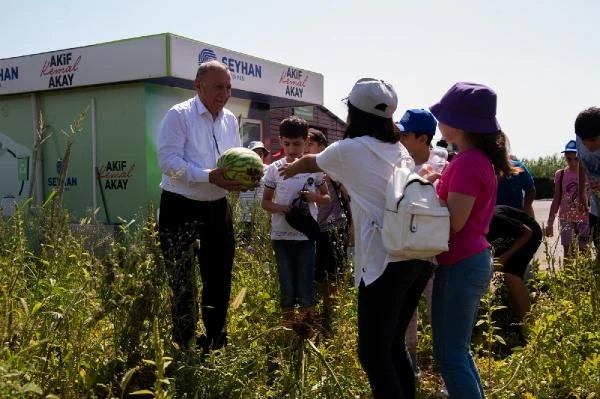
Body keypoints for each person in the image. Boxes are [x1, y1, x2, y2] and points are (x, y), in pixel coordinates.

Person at [280, 78, 434, 399]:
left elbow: (311, 161)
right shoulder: (400, 149)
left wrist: (289, 169)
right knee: (392, 348)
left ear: (353, 113)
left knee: (374, 355)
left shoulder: (349, 150)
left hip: (385, 263)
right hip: (417, 256)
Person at [427, 82, 519, 398]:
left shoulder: (467, 162)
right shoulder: (474, 159)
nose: (438, 120)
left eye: (442, 115)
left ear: (459, 123)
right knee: (458, 352)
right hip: (468, 261)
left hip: (460, 264)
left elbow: (455, 221)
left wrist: (423, 192)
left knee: (449, 356)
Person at [156, 60, 244, 354]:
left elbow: (233, 159)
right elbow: (168, 163)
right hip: (179, 206)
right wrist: (208, 176)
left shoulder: (230, 119)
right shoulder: (178, 116)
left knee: (218, 277)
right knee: (182, 279)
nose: (225, 93)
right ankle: (183, 344)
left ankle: (216, 341)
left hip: (217, 207)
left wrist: (241, 178)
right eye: (218, 86)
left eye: (229, 87)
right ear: (198, 85)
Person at [261, 117, 330, 337]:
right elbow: (265, 202)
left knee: (306, 284)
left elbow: (327, 198)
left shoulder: (314, 168)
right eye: (287, 144)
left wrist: (313, 196)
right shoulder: (273, 169)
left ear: (306, 141)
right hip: (281, 237)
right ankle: (289, 333)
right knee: (287, 285)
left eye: (297, 144)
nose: (292, 149)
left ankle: (308, 332)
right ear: (280, 141)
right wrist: (279, 207)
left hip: (305, 237)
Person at [397, 108, 438, 375]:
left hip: (433, 252)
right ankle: (411, 366)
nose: (400, 138)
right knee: (406, 310)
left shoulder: (441, 167)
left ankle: (443, 366)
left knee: (437, 309)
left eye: (406, 134)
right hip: (405, 250)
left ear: (423, 139)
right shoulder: (400, 166)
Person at [305, 128, 351, 335]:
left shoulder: (330, 168)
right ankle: (325, 312)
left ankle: (332, 313)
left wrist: (353, 225)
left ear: (322, 147)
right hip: (313, 228)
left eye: (310, 144)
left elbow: (347, 195)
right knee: (319, 273)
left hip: (334, 226)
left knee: (333, 273)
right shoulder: (303, 168)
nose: (306, 148)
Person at [487, 205, 542, 323]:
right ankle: (515, 317)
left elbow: (527, 232)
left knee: (512, 275)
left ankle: (528, 326)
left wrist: (504, 257)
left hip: (529, 236)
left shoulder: (496, 219)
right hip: (507, 241)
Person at [545, 140, 589, 261]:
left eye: (576, 159)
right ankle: (568, 280)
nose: (573, 162)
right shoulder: (561, 174)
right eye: (569, 159)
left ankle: (584, 280)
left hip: (584, 218)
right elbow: (556, 198)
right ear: (565, 158)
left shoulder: (587, 173)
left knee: (585, 252)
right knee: (568, 253)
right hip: (566, 218)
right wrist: (550, 222)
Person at [575, 107, 600, 250]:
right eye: (584, 141)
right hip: (596, 210)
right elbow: (581, 162)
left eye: (593, 140)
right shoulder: (581, 134)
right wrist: (581, 193)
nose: (588, 145)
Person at [239, 141, 270, 241]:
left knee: (260, 243)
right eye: (254, 153)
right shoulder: (241, 169)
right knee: (245, 245)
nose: (257, 156)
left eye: (260, 153)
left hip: (262, 215)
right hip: (244, 215)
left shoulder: (269, 170)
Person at [496, 152, 536, 218]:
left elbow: (531, 190)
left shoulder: (518, 167)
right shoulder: (482, 167)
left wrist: (527, 208)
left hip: (515, 215)